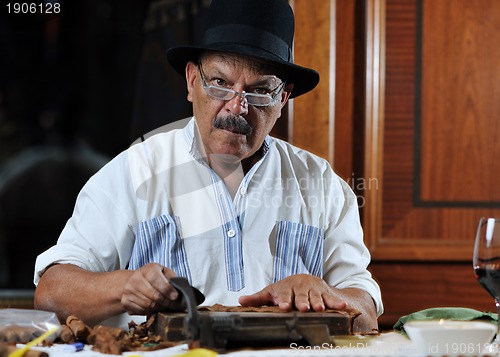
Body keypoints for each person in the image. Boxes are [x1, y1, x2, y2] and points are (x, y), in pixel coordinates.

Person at [34, 0, 383, 333]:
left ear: (283, 98)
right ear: (191, 81)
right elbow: (51, 293)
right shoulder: (133, 171)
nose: (237, 106)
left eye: (260, 90)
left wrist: (326, 294)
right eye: (220, 83)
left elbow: (365, 312)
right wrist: (124, 286)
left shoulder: (320, 183)